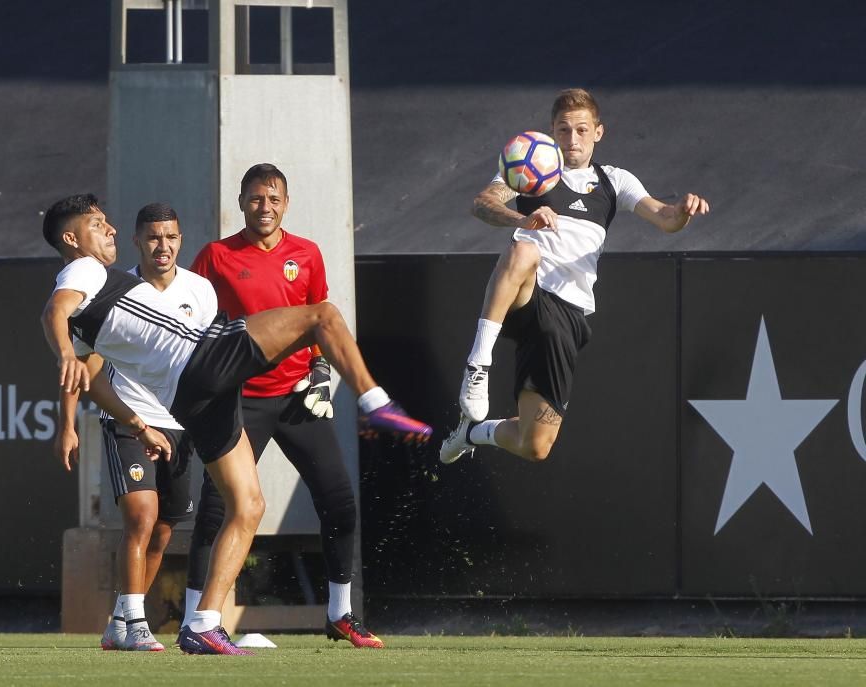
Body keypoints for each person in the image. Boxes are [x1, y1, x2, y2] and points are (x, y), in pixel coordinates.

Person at [40, 193, 431, 655]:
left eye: (108, 223)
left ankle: (203, 623)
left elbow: (92, 380)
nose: (108, 230)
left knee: (247, 506)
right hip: (201, 362)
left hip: (190, 400)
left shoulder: (100, 301)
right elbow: (54, 312)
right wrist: (64, 352)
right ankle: (375, 401)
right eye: (98, 223)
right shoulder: (83, 269)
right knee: (322, 315)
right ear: (72, 238)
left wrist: (133, 419)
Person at [440, 88, 709, 465]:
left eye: (582, 130)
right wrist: (523, 218)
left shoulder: (614, 180)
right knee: (523, 249)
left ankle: (471, 433)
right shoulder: (530, 165)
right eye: (564, 130)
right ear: (552, 131)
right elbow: (482, 203)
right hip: (526, 291)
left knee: (536, 445)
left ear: (598, 132)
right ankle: (477, 364)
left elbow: (665, 219)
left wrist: (682, 210)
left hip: (566, 317)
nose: (572, 139)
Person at [184, 163, 383, 649]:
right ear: (242, 202)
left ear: (286, 203)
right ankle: (197, 621)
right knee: (217, 511)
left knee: (339, 501)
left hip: (295, 399)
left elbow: (318, 323)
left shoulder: (307, 254)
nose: (264, 207)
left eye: (273, 199)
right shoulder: (215, 256)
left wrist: (317, 371)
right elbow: (190, 319)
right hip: (238, 402)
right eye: (255, 199)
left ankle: (341, 615)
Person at [54, 203, 215, 651]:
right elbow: (82, 361)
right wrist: (67, 424)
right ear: (138, 242)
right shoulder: (107, 285)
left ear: (180, 240)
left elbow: (201, 362)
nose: (162, 246)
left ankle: (122, 620)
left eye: (171, 237)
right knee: (140, 518)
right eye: (152, 238)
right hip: (128, 419)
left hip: (179, 425)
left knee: (164, 529)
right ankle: (138, 624)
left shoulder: (200, 291)